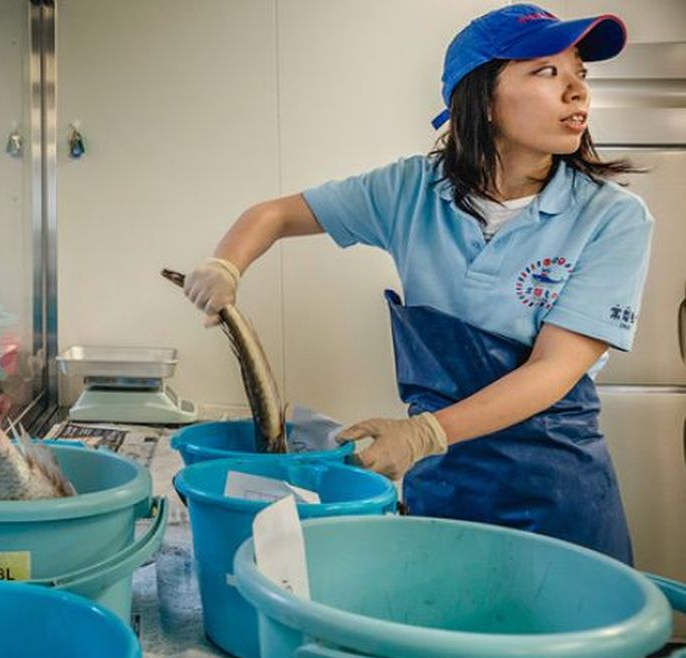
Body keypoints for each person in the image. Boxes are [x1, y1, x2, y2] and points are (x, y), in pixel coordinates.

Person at [178, 4, 651, 564]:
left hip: (557, 492)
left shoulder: (613, 217)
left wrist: (423, 434)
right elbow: (276, 215)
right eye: (547, 72)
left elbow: (552, 370)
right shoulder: (411, 190)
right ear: (482, 99)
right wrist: (226, 266)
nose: (577, 92)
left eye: (580, 73)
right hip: (444, 488)